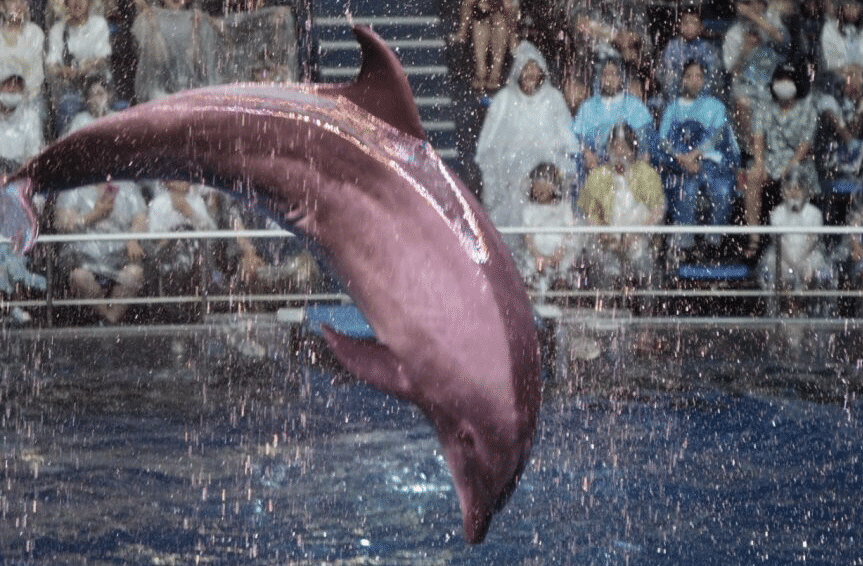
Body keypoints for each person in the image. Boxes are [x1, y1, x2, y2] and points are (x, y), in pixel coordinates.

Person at [475, 40, 576, 253]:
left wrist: (553, 176)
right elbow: (486, 149)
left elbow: (569, 146)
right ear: (518, 71)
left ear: (542, 71)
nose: (530, 73)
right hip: (510, 186)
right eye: (525, 67)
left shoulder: (554, 99)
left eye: (534, 67)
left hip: (546, 185)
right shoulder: (503, 100)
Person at [658, 60, 740, 256]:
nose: (694, 81)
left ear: (705, 80)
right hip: (680, 165)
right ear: (682, 79)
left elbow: (718, 136)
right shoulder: (672, 108)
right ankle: (684, 244)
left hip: (712, 164)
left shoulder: (715, 106)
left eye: (699, 76)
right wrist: (682, 158)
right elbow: (663, 139)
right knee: (686, 191)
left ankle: (714, 240)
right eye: (689, 76)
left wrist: (695, 156)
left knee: (721, 191)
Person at [742, 64, 818, 259]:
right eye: (780, 79)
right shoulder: (764, 105)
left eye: (788, 79)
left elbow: (805, 144)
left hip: (797, 161)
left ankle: (800, 244)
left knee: (797, 179)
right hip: (770, 158)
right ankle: (755, 238)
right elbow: (758, 137)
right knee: (752, 177)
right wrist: (759, 163)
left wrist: (790, 166)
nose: (783, 84)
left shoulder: (808, 108)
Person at [577, 122, 666, 287]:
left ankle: (646, 309)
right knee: (604, 267)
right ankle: (606, 308)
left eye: (624, 146)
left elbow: (657, 211)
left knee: (645, 266)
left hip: (639, 240)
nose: (619, 152)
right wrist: (607, 238)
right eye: (615, 146)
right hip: (606, 242)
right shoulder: (597, 176)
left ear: (633, 149)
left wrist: (638, 235)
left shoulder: (647, 174)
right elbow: (590, 217)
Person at [53, 181, 147, 324]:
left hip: (121, 254)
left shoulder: (129, 188)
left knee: (134, 273)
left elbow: (141, 220)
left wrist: (133, 238)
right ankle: (108, 319)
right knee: (80, 277)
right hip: (82, 255)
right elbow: (64, 224)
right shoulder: (72, 189)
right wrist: (95, 215)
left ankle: (109, 320)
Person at [757, 165, 832, 316]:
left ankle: (801, 306)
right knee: (778, 270)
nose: (793, 193)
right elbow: (780, 244)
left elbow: (812, 242)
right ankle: (790, 308)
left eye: (797, 188)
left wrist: (800, 260)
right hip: (783, 254)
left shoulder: (815, 213)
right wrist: (791, 261)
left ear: (805, 190)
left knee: (812, 271)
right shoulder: (776, 213)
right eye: (789, 188)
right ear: (783, 191)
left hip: (808, 254)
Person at [723, 0, 789, 152]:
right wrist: (745, 51)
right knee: (742, 102)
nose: (754, 6)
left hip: (773, 86)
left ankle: (774, 154)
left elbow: (781, 39)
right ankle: (752, 154)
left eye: (758, 2)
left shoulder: (771, 23)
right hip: (746, 86)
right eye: (749, 3)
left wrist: (753, 16)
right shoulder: (734, 32)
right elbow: (733, 71)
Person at [571, 58, 654, 171]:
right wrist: (588, 154)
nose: (609, 79)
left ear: (621, 79)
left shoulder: (635, 105)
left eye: (614, 74)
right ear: (600, 79)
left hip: (630, 168)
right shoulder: (588, 107)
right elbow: (578, 140)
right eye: (605, 74)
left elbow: (646, 145)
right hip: (597, 168)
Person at [44, 0, 111, 137]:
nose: (77, 2)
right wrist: (61, 71)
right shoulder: (58, 30)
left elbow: (104, 59)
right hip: (73, 89)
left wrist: (86, 68)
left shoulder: (99, 24)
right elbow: (51, 63)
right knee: (67, 107)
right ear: (66, 3)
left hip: (99, 86)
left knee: (103, 109)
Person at [131, 0, 219, 103]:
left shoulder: (197, 19)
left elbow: (197, 61)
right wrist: (154, 29)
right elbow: (158, 59)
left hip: (193, 92)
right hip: (161, 94)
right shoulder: (149, 18)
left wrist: (196, 30)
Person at [520, 162, 583, 295]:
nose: (539, 188)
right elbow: (527, 237)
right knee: (529, 281)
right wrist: (538, 256)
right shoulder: (529, 210)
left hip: (560, 257)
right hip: (535, 257)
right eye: (536, 184)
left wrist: (560, 253)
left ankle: (560, 293)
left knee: (563, 279)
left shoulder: (564, 208)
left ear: (555, 186)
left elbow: (570, 234)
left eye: (545, 183)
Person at [147, 179, 217, 291]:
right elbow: (154, 235)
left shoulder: (197, 201)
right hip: (170, 256)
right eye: (176, 178)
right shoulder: (158, 202)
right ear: (166, 182)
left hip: (197, 254)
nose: (182, 180)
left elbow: (210, 232)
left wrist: (188, 211)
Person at [657, 5, 723, 102]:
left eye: (694, 23)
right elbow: (666, 75)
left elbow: (714, 75)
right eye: (686, 23)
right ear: (679, 26)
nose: (690, 27)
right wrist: (684, 87)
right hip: (676, 96)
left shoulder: (707, 48)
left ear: (701, 27)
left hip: (703, 95)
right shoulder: (672, 47)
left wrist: (697, 87)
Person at [451, 0, 517, 91]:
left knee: (500, 18)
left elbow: (508, 6)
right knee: (481, 15)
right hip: (481, 13)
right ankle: (481, 69)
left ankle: (496, 71)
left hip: (504, 16)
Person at [816, 62, 863, 177]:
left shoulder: (856, 101)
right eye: (845, 74)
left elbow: (855, 132)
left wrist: (860, 108)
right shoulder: (828, 100)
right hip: (831, 155)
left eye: (852, 75)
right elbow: (847, 135)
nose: (846, 78)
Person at [0, 0, 45, 103]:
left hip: (29, 97)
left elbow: (37, 74)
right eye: (13, 1)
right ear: (2, 5)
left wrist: (21, 92)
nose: (19, 5)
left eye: (22, 1)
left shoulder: (35, 33)